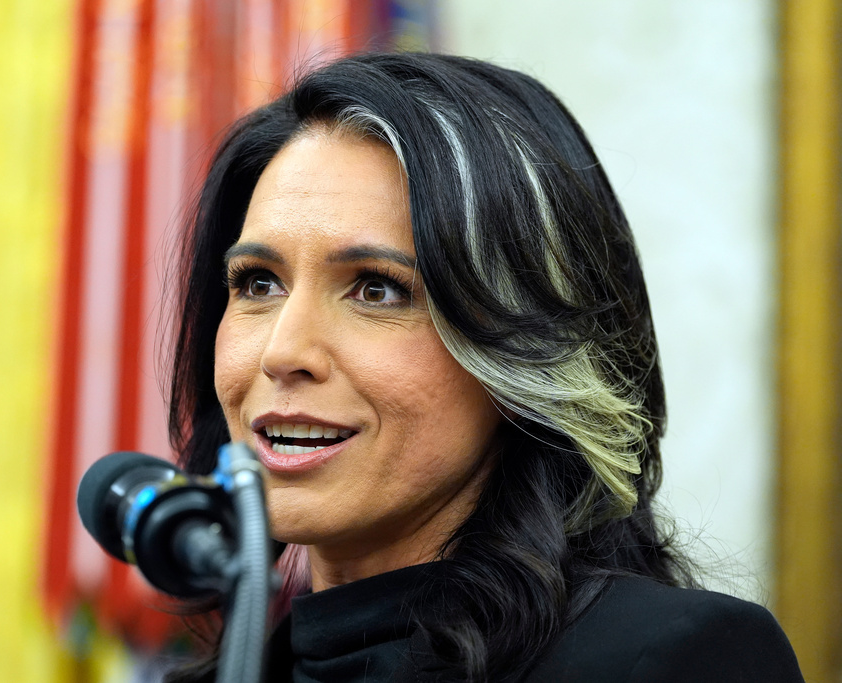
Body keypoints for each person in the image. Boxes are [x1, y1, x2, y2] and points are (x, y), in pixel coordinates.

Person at [165, 52, 803, 682]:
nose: (282, 352)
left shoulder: (675, 659)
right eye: (257, 284)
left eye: (377, 290)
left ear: (527, 349)